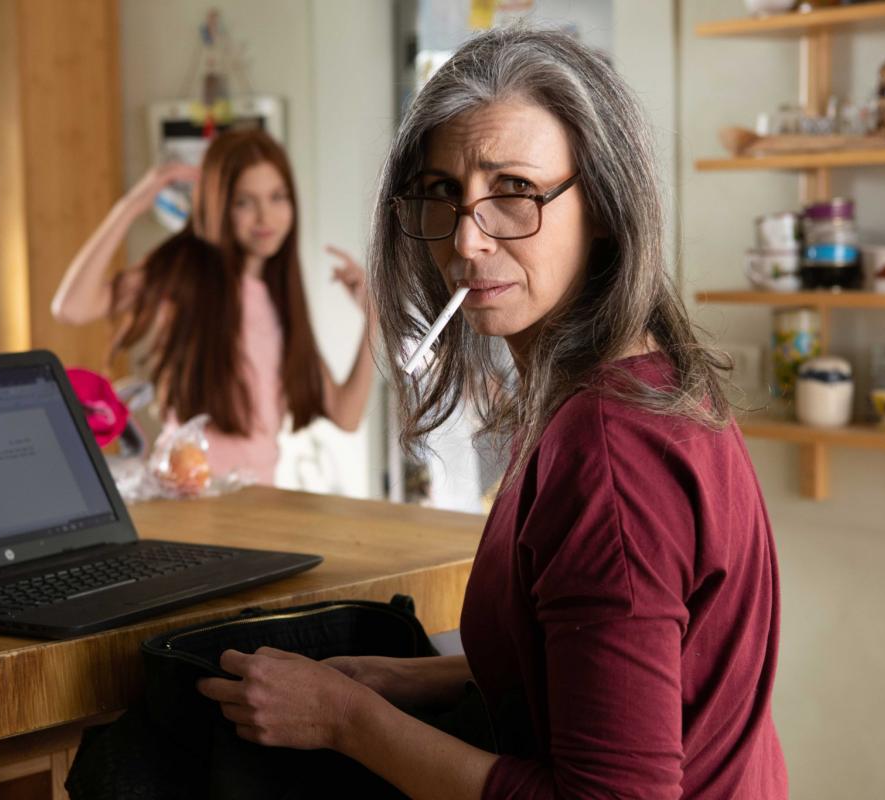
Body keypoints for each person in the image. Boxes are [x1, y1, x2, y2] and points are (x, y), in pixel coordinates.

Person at [196, 26, 788, 799]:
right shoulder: (647, 381)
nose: (468, 241)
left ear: (604, 204)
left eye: (514, 191)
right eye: (445, 192)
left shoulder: (609, 455)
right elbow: (616, 663)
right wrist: (415, 679)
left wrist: (349, 720)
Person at [51, 129, 374, 485]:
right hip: (184, 496)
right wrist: (131, 205)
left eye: (277, 197)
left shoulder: (281, 302)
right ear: (219, 205)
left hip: (257, 505)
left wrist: (374, 318)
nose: (265, 218)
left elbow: (347, 414)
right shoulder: (185, 273)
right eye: (244, 202)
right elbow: (72, 307)